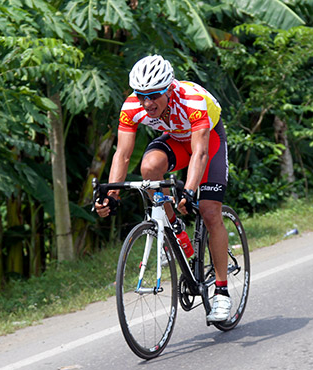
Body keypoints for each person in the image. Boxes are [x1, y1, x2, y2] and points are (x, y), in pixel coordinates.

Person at [95, 55, 231, 322]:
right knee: (149, 169)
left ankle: (222, 292)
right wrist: (111, 195)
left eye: (154, 95)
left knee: (209, 211)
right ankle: (175, 230)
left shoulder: (191, 100)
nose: (147, 103)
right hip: (178, 140)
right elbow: (122, 155)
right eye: (141, 95)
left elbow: (200, 153)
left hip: (208, 142)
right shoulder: (133, 106)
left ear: (169, 89)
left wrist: (190, 191)